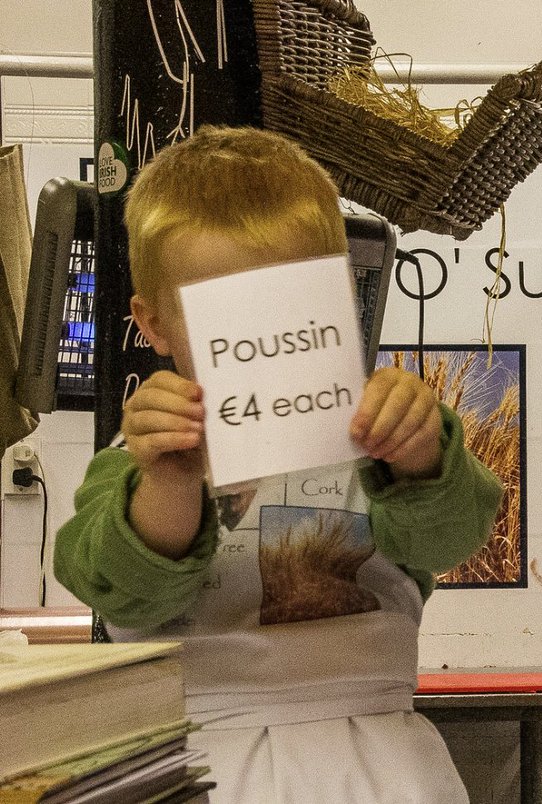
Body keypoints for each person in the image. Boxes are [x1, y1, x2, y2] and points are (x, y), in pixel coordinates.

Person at [54, 125, 503, 803]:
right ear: (156, 325)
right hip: (199, 757)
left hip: (375, 753)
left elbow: (448, 541)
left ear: (336, 299)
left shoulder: (377, 436)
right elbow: (124, 593)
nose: (262, 340)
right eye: (226, 319)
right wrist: (170, 481)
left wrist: (424, 459)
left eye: (287, 305)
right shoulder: (134, 464)